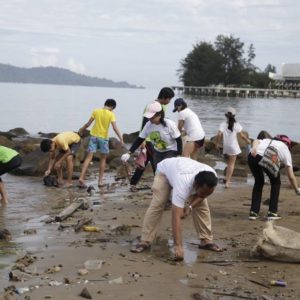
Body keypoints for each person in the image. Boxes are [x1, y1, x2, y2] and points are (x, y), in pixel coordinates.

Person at [130, 157, 222, 260]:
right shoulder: (183, 184)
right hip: (164, 172)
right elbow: (176, 216)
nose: (206, 194)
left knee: (202, 205)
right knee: (158, 203)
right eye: (203, 192)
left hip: (181, 170)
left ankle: (206, 241)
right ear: (195, 185)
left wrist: (190, 207)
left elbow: (202, 196)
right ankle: (145, 241)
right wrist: (178, 246)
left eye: (209, 193)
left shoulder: (212, 177)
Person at [129, 87, 175, 192]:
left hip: (156, 139)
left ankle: (134, 183)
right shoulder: (153, 107)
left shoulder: (161, 106)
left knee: (146, 162)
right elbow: (145, 123)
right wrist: (143, 140)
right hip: (151, 140)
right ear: (164, 97)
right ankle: (159, 186)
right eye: (169, 99)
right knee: (157, 163)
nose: (170, 101)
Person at [248, 134, 300, 220]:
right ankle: (272, 212)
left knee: (259, 182)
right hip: (268, 157)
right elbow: (291, 176)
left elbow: (256, 140)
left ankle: (253, 212)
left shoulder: (267, 140)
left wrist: (254, 148)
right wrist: (297, 189)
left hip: (252, 156)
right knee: (276, 183)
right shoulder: (285, 148)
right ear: (287, 144)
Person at [121, 101, 182, 170]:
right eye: (149, 117)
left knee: (166, 170)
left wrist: (179, 154)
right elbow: (140, 139)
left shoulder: (169, 124)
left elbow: (179, 139)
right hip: (158, 152)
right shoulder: (148, 125)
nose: (150, 119)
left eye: (152, 117)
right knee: (158, 172)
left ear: (159, 115)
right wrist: (129, 153)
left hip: (171, 151)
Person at [78, 99, 124, 188]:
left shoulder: (96, 111)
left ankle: (81, 177)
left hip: (94, 137)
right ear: (112, 107)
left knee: (88, 157)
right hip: (103, 139)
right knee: (103, 159)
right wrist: (121, 138)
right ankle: (100, 181)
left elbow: (88, 124)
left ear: (105, 104)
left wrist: (81, 129)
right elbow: (114, 128)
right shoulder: (111, 114)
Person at [215, 107, 251, 188]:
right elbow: (242, 136)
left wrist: (217, 143)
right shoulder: (237, 125)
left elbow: (219, 134)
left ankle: (226, 178)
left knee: (229, 163)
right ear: (234, 116)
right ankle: (227, 182)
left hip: (226, 146)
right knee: (231, 164)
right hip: (233, 146)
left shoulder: (223, 124)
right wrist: (248, 140)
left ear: (225, 115)